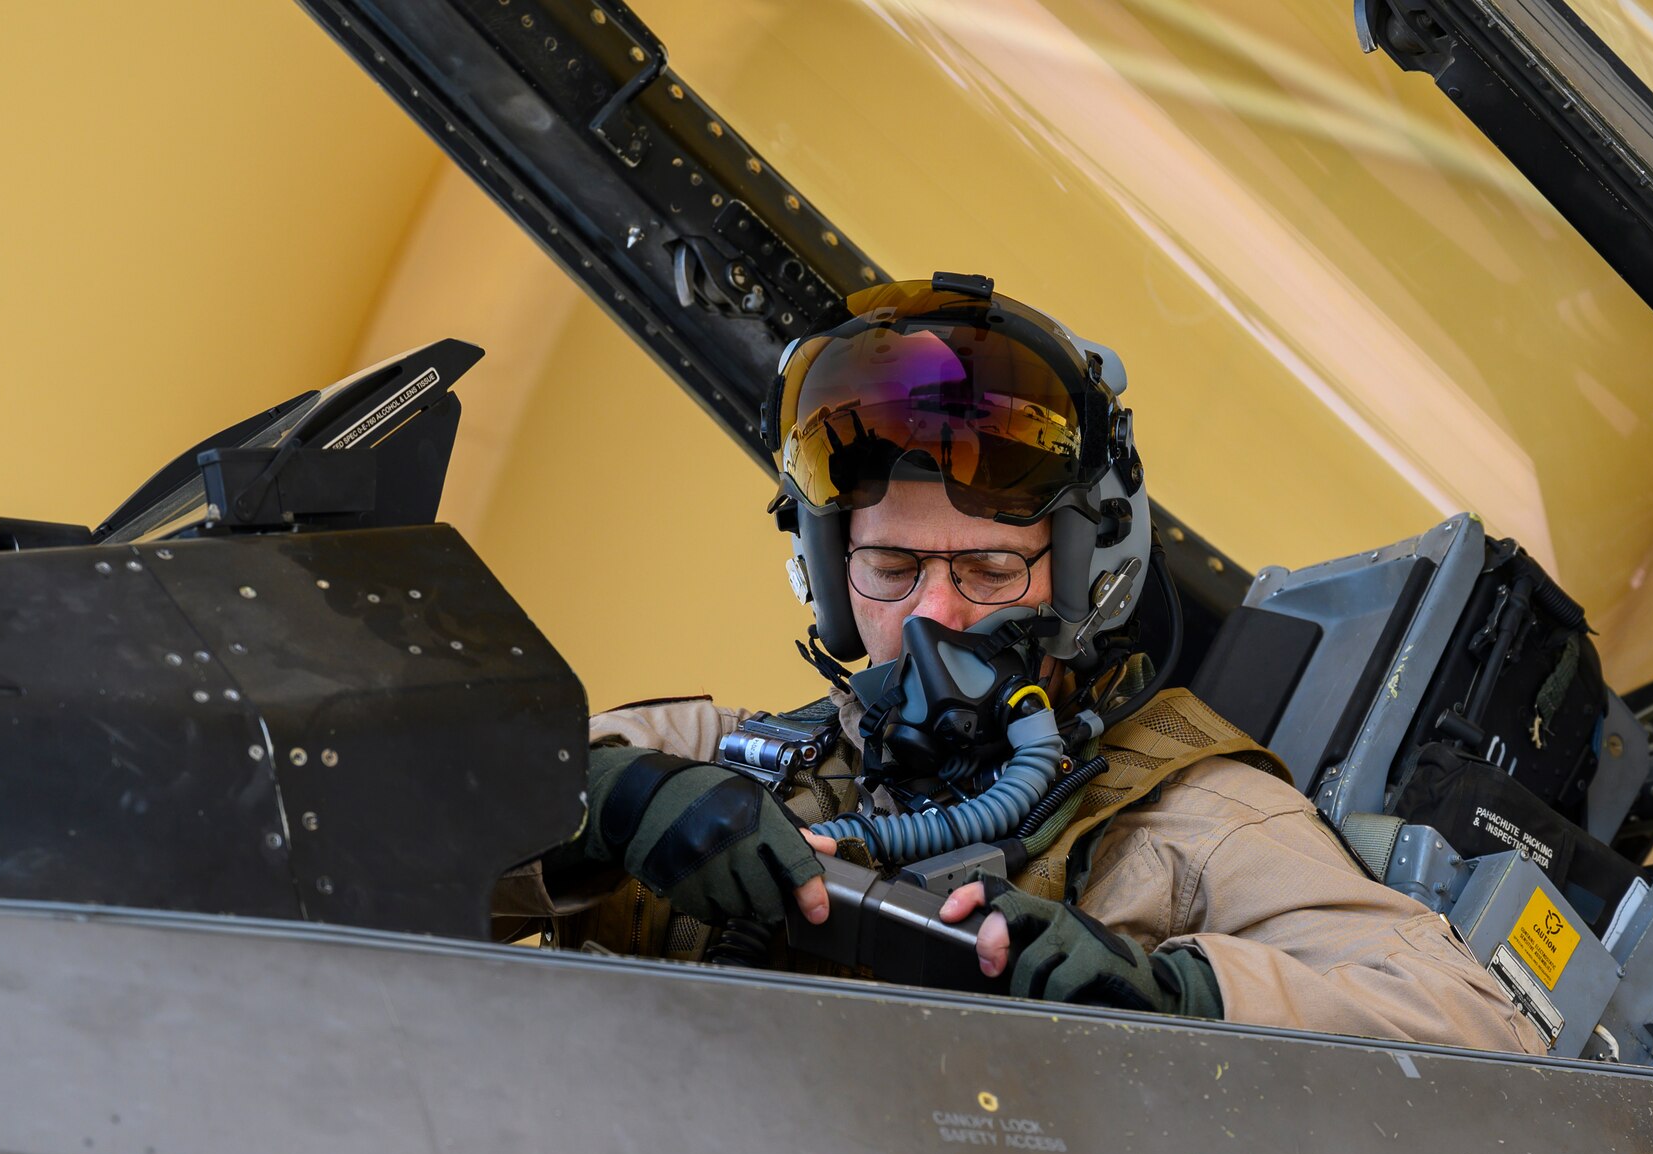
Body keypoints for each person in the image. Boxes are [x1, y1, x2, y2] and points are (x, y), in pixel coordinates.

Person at [495, 274, 1543, 1054]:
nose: (937, 612)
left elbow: (1478, 1029)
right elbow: (361, 818)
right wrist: (601, 808)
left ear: (1088, 572)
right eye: (892, 564)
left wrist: (1173, 993)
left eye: (991, 566)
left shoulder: (1190, 819)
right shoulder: (723, 758)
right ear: (825, 573)